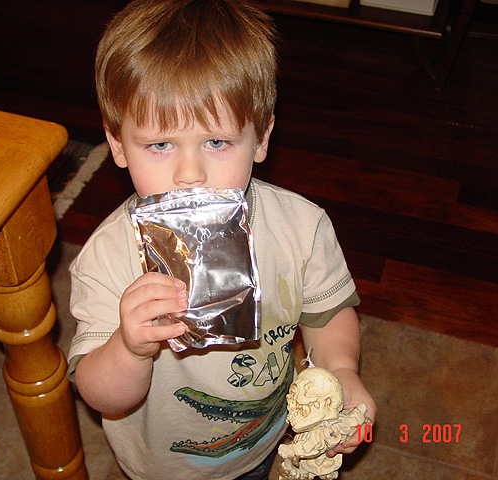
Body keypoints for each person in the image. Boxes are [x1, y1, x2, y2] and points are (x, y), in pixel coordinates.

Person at [67, 1, 377, 479]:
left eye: (216, 142)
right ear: (117, 146)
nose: (190, 173)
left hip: (263, 438)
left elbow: (328, 314)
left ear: (261, 138)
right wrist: (129, 349)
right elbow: (100, 395)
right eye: (160, 144)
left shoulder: (302, 227)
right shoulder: (107, 257)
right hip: (164, 466)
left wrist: (341, 371)